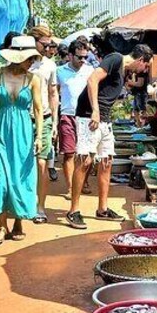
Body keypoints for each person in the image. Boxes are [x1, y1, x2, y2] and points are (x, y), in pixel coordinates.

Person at [66, 44, 153, 229]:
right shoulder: (115, 58)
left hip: (105, 119)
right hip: (89, 115)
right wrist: (95, 111)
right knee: (85, 161)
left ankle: (102, 209)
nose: (145, 71)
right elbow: (92, 80)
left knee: (106, 162)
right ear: (140, 60)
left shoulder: (124, 70)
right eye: (146, 66)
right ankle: (73, 210)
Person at [0, 36, 44, 243]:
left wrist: (39, 136)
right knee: (0, 178)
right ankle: (2, 226)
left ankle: (18, 220)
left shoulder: (33, 79)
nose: (31, 62)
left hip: (23, 134)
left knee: (21, 179)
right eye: (29, 57)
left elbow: (38, 110)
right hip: (0, 132)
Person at [27, 26, 59, 224]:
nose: (48, 48)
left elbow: (53, 93)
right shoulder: (21, 63)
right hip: (23, 117)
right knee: (24, 163)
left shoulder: (50, 65)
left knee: (41, 163)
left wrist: (54, 121)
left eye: (50, 45)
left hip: (45, 118)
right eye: (45, 44)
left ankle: (40, 206)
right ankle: (25, 203)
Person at [57, 39, 95, 197]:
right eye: (79, 57)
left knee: (87, 154)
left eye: (85, 57)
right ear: (70, 56)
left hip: (85, 117)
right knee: (69, 153)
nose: (83, 60)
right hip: (67, 115)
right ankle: (71, 188)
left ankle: (83, 181)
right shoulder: (59, 71)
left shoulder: (90, 70)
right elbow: (54, 93)